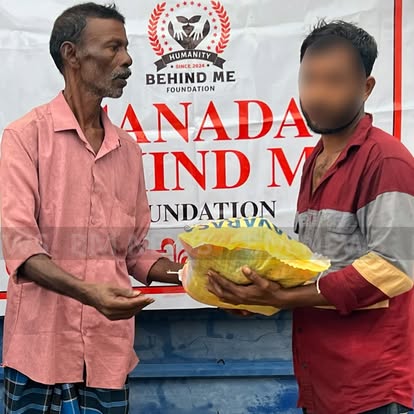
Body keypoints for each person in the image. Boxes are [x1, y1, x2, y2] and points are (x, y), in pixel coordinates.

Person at [207, 20, 414, 414]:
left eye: (334, 81)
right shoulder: (316, 160)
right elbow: (314, 267)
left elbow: (392, 269)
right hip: (320, 380)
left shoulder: (387, 161)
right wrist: (257, 297)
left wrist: (281, 298)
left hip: (370, 386)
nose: (317, 94)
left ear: (366, 88)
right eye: (310, 80)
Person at [0, 3, 182, 413]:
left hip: (106, 349)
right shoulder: (25, 137)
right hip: (39, 351)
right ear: (72, 55)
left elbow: (134, 253)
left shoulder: (127, 150)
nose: (127, 59)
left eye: (127, 47)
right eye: (114, 47)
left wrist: (197, 275)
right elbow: (21, 250)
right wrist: (89, 293)